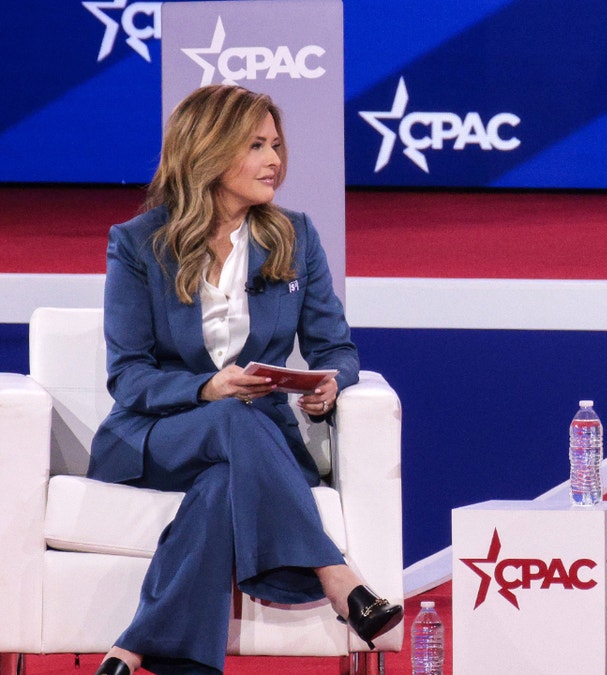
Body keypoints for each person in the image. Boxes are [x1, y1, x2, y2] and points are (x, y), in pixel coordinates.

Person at [88, 84, 403, 675]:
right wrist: (210, 389)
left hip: (251, 450)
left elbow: (336, 349)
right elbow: (128, 377)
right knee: (233, 415)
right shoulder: (136, 245)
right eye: (256, 145)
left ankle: (132, 650)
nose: (274, 161)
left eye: (277, 145)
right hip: (156, 440)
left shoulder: (294, 236)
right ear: (209, 151)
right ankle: (337, 576)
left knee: (218, 491)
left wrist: (329, 388)